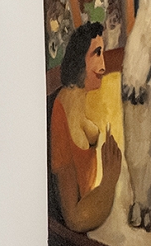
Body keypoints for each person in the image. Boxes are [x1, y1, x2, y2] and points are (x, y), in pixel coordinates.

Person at [49, 21, 122, 233]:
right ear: (78, 59)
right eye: (96, 53)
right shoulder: (61, 120)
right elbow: (75, 219)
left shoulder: (75, 100)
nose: (104, 66)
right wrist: (109, 180)